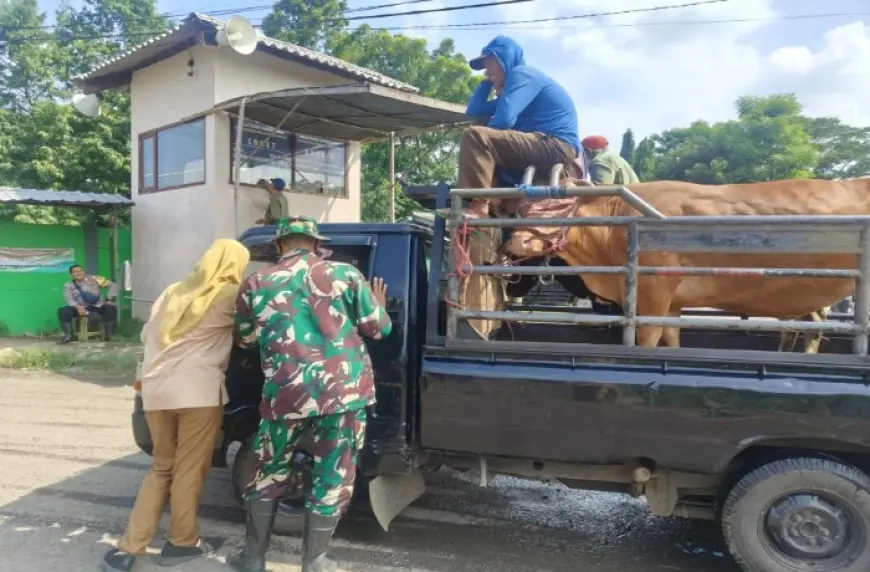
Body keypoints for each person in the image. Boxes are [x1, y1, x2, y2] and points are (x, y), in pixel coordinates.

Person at [230, 215, 392, 572]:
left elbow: (245, 339)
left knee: (269, 472)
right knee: (333, 474)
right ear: (318, 245)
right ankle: (316, 560)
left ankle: (253, 558)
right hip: (342, 397)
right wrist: (377, 305)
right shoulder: (347, 275)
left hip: (285, 395)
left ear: (277, 246)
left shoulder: (256, 282)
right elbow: (379, 330)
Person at [101, 239, 251, 572]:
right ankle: (182, 543)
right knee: (188, 469)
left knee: (161, 468)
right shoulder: (230, 297)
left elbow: (146, 337)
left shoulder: (172, 292)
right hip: (197, 395)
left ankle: (128, 548)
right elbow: (251, 336)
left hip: (156, 394)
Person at [462, 35, 581, 216]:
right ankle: (493, 207)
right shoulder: (513, 89)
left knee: (476, 136)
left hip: (555, 144)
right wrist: (486, 81)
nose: (486, 70)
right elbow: (475, 110)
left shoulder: (522, 74)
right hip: (541, 144)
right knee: (480, 124)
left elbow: (503, 120)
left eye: (489, 64)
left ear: (503, 60)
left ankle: (479, 206)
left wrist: (483, 142)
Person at [57, 264, 119, 344]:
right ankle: (68, 336)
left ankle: (109, 336)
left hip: (97, 305)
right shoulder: (68, 285)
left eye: (80, 271)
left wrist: (109, 298)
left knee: (110, 309)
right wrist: (78, 307)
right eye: (75, 272)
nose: (78, 273)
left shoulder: (95, 279)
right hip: (80, 307)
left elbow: (113, 285)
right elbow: (69, 299)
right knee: (63, 311)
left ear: (84, 271)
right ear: (71, 274)